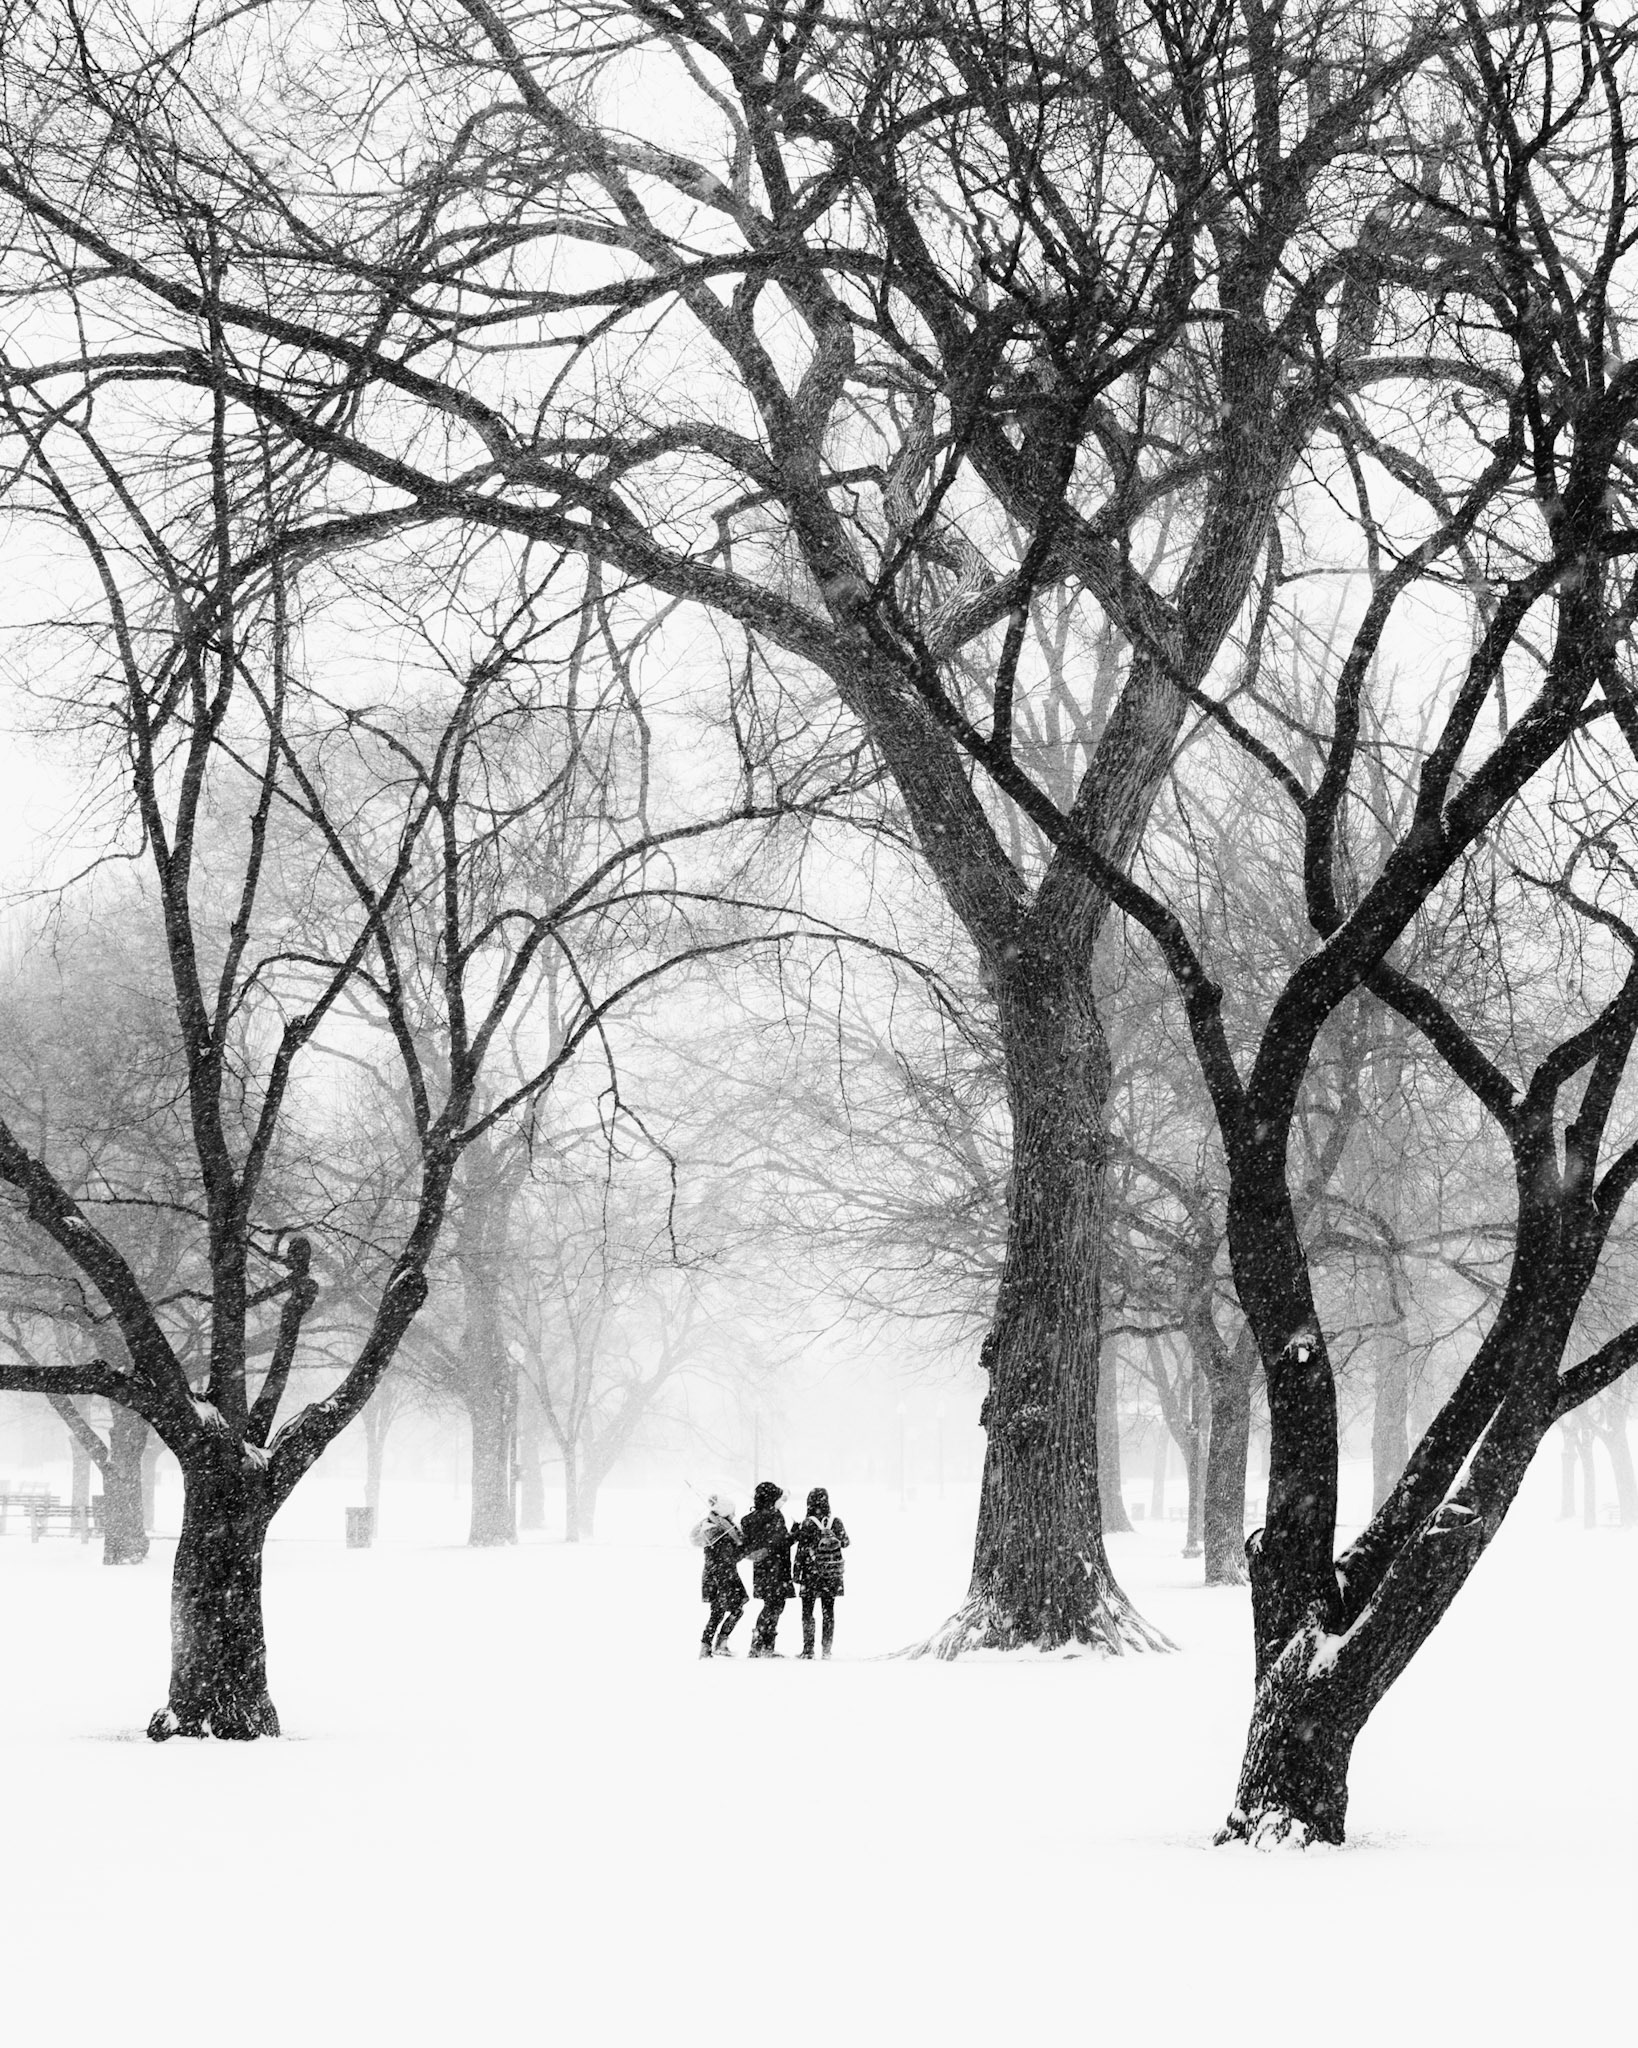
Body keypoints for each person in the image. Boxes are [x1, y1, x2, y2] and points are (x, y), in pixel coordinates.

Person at [790, 1486, 850, 1659]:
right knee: (828, 1611)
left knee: (807, 1611)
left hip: (811, 1574)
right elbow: (845, 1542)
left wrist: (797, 1573)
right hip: (831, 1574)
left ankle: (808, 1649)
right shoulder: (835, 1522)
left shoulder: (807, 1523)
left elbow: (801, 1551)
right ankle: (826, 1650)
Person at [738, 1480, 795, 1657]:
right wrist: (796, 1534)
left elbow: (752, 1543)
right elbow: (781, 1541)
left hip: (762, 1567)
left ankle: (763, 1643)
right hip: (778, 1567)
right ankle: (762, 1644)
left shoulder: (748, 1519)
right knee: (775, 1605)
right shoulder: (775, 1516)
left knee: (771, 1604)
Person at [690, 1495, 747, 1658]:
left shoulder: (708, 1527)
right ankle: (718, 1644)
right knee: (734, 1610)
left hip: (712, 1575)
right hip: (724, 1576)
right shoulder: (720, 1532)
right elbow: (729, 1557)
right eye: (732, 1512)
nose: (734, 1515)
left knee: (718, 1612)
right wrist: (742, 1550)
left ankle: (707, 1646)